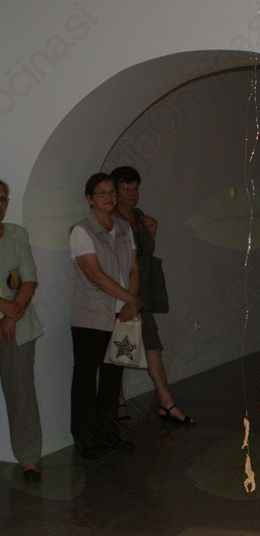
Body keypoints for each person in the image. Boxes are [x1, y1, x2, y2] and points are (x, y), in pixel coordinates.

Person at [110, 166, 195, 425]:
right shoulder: (112, 220)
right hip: (122, 294)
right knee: (119, 348)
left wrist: (152, 233)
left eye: (135, 188)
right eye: (126, 189)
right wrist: (126, 297)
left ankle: (166, 403)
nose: (132, 194)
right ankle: (119, 401)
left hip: (142, 295)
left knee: (153, 347)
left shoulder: (139, 217)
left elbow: (146, 251)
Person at [69, 172, 141, 458]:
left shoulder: (124, 227)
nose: (109, 197)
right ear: (89, 199)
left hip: (122, 315)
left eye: (112, 192)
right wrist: (131, 299)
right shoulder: (81, 231)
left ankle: (109, 434)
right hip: (91, 317)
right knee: (86, 379)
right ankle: (87, 440)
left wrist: (130, 304)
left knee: (112, 378)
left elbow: (133, 268)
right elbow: (96, 276)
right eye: (102, 193)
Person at [0, 179, 44, 481]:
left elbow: (29, 278)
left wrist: (13, 314)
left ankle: (29, 459)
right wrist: (5, 306)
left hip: (18, 326)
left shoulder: (17, 234)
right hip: (10, 313)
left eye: (3, 199)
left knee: (22, 394)